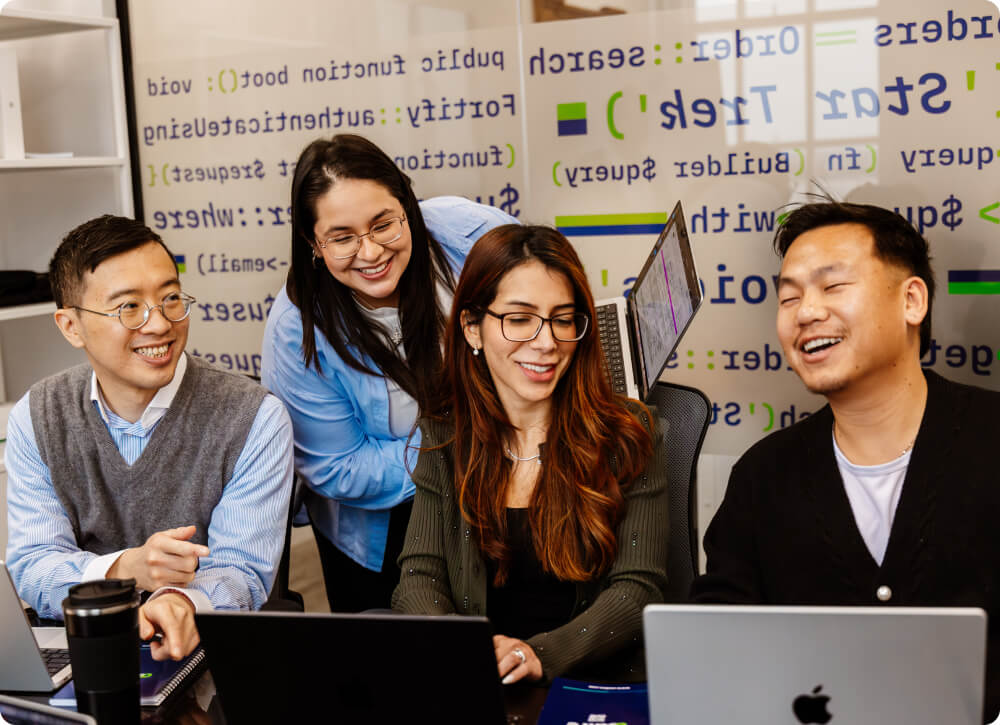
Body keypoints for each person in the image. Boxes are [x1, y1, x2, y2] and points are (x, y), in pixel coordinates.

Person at [691, 199, 1000, 722]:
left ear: (912, 301)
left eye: (834, 287)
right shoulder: (762, 477)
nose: (807, 312)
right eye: (788, 298)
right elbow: (717, 641)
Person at [5, 215, 293, 661]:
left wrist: (180, 602)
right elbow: (33, 563)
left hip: (209, 653)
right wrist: (124, 569)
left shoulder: (254, 416)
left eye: (171, 298)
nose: (159, 324)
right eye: (129, 308)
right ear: (70, 326)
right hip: (84, 650)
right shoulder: (38, 415)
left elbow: (243, 571)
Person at [392, 224, 669, 684]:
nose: (546, 342)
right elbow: (418, 579)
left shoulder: (627, 434)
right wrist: (468, 653)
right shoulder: (444, 436)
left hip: (591, 685)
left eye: (563, 318)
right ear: (472, 328)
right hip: (477, 683)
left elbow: (636, 589)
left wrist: (537, 655)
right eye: (520, 319)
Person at [261, 134, 518, 613]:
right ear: (312, 243)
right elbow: (338, 467)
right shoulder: (296, 330)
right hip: (388, 530)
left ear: (408, 206)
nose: (371, 251)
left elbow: (547, 294)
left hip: (508, 491)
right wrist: (468, 441)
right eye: (342, 237)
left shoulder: (469, 234)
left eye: (383, 225)